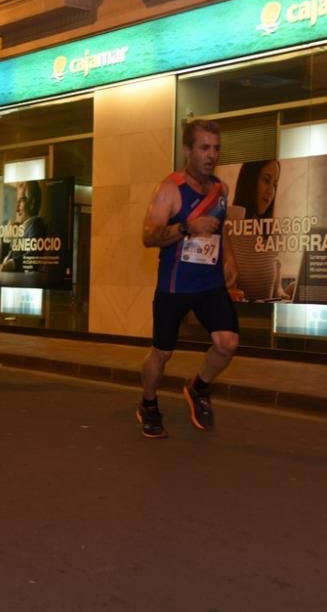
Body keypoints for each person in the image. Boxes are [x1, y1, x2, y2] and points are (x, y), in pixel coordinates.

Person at [138, 119, 240, 438]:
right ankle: (148, 404)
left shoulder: (221, 189)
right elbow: (148, 236)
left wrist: (229, 257)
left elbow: (220, 228)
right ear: (187, 150)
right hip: (175, 286)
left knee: (228, 343)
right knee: (162, 353)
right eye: (204, 148)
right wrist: (185, 227)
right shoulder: (170, 189)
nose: (211, 155)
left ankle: (198, 388)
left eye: (216, 148)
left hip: (209, 284)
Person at [226, 159, 293, 302]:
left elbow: (276, 288)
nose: (271, 191)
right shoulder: (227, 227)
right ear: (249, 181)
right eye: (266, 180)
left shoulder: (273, 232)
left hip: (265, 320)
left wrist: (286, 293)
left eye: (274, 184)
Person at [0, 180, 48, 272]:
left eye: (21, 200)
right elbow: (1, 260)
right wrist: (7, 238)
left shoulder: (35, 223)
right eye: (16, 201)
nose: (16, 208)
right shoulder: (21, 227)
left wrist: (12, 264)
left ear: (32, 203)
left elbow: (34, 256)